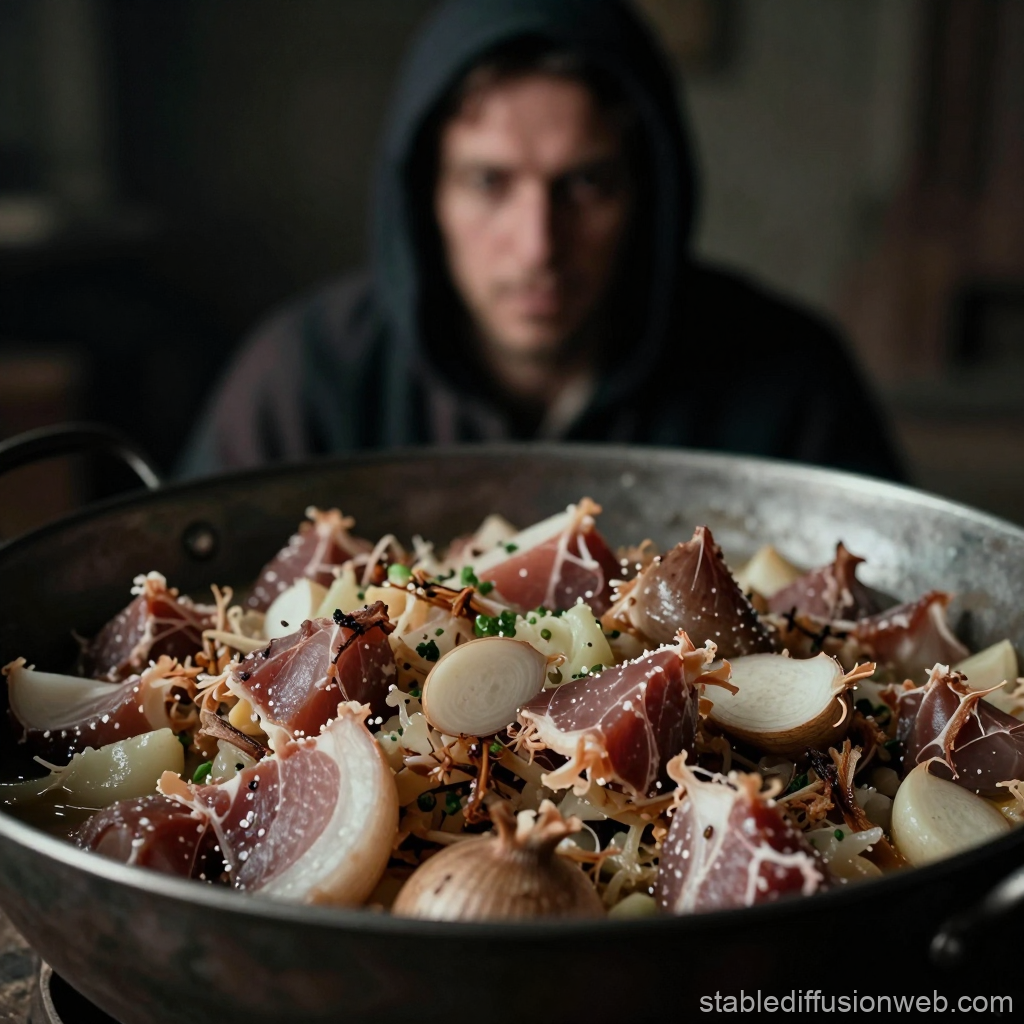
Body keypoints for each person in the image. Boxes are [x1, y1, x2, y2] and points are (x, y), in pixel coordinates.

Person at [181, 0, 904, 481]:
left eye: (586, 185)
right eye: (489, 183)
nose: (537, 246)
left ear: (646, 194)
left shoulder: (790, 386)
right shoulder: (303, 383)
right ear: (425, 195)